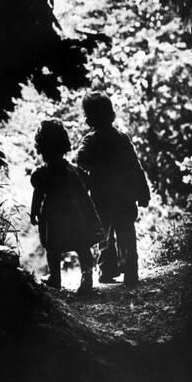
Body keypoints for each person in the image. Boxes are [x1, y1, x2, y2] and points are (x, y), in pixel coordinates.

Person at [76, 93, 150, 287]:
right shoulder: (121, 138)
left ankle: (107, 271)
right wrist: (143, 192)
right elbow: (136, 166)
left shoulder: (90, 140)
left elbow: (81, 160)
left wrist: (95, 168)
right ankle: (131, 271)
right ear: (110, 114)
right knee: (126, 233)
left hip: (101, 198)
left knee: (103, 236)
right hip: (124, 196)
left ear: (90, 118)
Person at [30, 119, 104, 294]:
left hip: (55, 219)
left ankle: (55, 277)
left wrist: (34, 213)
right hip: (76, 216)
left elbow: (38, 194)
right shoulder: (73, 170)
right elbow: (86, 184)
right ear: (64, 144)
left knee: (53, 249)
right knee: (83, 246)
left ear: (41, 148)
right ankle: (87, 275)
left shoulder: (42, 173)